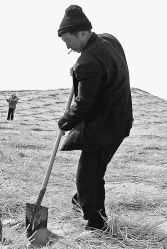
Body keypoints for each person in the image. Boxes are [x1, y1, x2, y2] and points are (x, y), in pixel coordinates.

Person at [57, 5, 133, 231]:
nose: (68, 47)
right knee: (95, 169)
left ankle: (96, 223)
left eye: (68, 41)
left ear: (82, 33)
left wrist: (64, 122)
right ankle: (82, 200)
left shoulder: (87, 62)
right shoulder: (109, 41)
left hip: (104, 126)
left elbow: (83, 103)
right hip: (121, 120)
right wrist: (80, 68)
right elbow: (102, 65)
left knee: (88, 173)